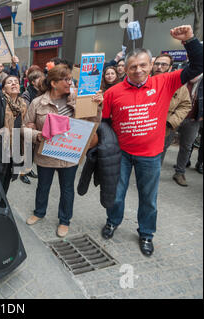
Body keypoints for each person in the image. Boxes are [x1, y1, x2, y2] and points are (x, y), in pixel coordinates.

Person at [100, 25, 203, 256]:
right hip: (121, 154)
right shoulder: (112, 93)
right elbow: (105, 122)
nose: (138, 70)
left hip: (151, 155)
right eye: (133, 66)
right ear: (125, 68)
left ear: (150, 65)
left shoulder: (165, 82)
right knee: (116, 194)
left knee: (149, 198)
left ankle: (146, 233)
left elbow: (198, 65)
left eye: (143, 65)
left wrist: (190, 40)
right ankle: (113, 221)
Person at [23, 65, 101, 238]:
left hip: (69, 155)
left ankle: (65, 220)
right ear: (54, 83)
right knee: (43, 186)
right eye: (66, 79)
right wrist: (38, 135)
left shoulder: (78, 99)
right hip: (45, 155)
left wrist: (96, 106)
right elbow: (24, 128)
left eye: (70, 79)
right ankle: (39, 212)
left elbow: (92, 123)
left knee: (67, 189)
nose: (70, 82)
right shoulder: (37, 103)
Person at [0, 44, 28, 194]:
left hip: (13, 154)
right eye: (9, 82)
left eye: (16, 82)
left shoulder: (22, 105)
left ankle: (1, 213)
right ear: (3, 89)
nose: (14, 83)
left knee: (5, 189)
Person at [153, 53, 192, 165]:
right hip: (144, 127)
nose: (159, 67)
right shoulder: (144, 81)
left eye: (164, 64)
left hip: (165, 128)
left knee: (157, 157)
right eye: (157, 64)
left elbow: (186, 105)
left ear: (170, 67)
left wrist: (171, 122)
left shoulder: (178, 85)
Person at [170, 74, 203, 186]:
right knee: (163, 144)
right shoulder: (180, 78)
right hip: (173, 117)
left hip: (193, 119)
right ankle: (154, 171)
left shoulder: (201, 83)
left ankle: (180, 173)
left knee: (186, 147)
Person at [19, 66, 44, 184]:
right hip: (28, 127)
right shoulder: (27, 94)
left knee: (32, 152)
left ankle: (28, 170)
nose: (42, 80)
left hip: (36, 127)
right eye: (40, 78)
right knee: (26, 151)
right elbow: (25, 112)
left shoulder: (41, 92)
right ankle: (22, 173)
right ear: (33, 82)